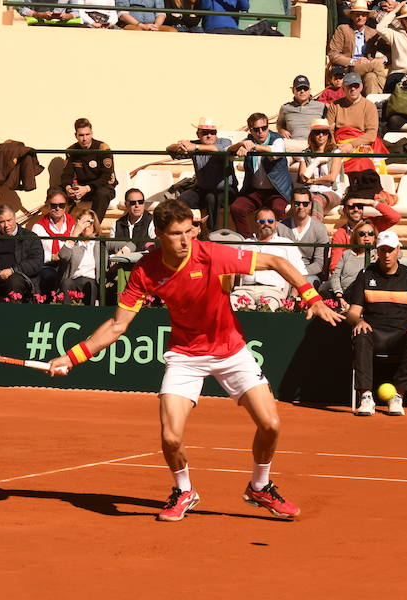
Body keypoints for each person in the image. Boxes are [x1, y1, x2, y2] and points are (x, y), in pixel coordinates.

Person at [47, 198, 344, 521]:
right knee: (171, 436)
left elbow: (275, 261)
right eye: (176, 234)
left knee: (270, 425)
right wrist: (72, 357)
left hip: (231, 350)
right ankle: (184, 490)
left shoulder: (211, 253)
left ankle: (259, 486)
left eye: (190, 230)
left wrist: (311, 297)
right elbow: (117, 325)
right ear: (159, 234)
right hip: (185, 356)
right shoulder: (146, 270)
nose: (186, 239)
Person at [347, 229, 407, 417]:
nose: (387, 254)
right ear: (376, 251)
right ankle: (365, 397)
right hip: (373, 333)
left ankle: (398, 396)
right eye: (382, 250)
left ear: (398, 249)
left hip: (400, 335)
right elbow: (352, 313)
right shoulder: (365, 274)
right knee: (359, 333)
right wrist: (358, 321)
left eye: (390, 250)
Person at [228, 113, 292, 238]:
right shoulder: (248, 141)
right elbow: (228, 150)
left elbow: (276, 152)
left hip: (277, 191)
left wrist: (255, 147)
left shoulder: (277, 139)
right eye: (256, 129)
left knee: (278, 210)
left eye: (264, 128)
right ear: (251, 130)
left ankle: (281, 241)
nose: (261, 132)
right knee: (237, 208)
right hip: (255, 191)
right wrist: (240, 145)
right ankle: (247, 241)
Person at [166, 116, 236, 231]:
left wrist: (194, 147)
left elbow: (219, 149)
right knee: (180, 202)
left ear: (216, 133)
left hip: (226, 190)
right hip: (202, 189)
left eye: (212, 132)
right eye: (205, 133)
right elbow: (169, 149)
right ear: (198, 134)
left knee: (212, 198)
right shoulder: (193, 145)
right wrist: (179, 146)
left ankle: (212, 234)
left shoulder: (225, 142)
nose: (209, 135)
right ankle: (184, 231)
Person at [230, 207, 307, 309]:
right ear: (256, 223)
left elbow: (301, 274)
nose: (266, 224)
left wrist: (292, 297)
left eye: (270, 221)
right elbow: (233, 271)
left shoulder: (286, 244)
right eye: (262, 221)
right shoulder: (245, 244)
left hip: (273, 291)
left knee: (267, 309)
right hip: (244, 289)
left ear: (276, 223)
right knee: (229, 305)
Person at [328, 187, 401, 273]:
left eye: (359, 206)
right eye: (351, 207)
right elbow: (334, 265)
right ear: (344, 210)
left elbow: (395, 217)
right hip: (353, 274)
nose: (356, 209)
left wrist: (370, 202)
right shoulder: (340, 234)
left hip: (377, 271)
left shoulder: (373, 224)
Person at [327, 0, 390, 96]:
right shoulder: (343, 29)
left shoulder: (372, 33)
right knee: (376, 65)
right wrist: (353, 61)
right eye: (357, 15)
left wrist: (383, 58)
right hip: (349, 68)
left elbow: (390, 51)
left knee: (371, 77)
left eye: (363, 15)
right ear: (351, 16)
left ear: (367, 17)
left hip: (368, 67)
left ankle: (374, 105)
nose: (360, 17)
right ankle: (384, 96)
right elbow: (333, 54)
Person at [60, 117, 117, 222]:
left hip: (102, 187)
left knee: (102, 193)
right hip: (82, 190)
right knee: (55, 192)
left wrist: (86, 188)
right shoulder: (72, 150)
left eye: (87, 134)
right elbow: (66, 175)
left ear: (92, 133)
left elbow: (106, 177)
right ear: (76, 135)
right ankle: (59, 230)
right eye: (81, 135)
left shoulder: (102, 148)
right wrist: (69, 189)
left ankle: (93, 229)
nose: (84, 138)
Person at [276, 186, 330, 287]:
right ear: (292, 204)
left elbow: (319, 264)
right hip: (284, 273)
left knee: (307, 284)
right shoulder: (280, 227)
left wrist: (299, 273)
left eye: (305, 204)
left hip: (308, 274)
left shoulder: (319, 228)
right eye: (297, 203)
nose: (301, 207)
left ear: (310, 205)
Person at [32, 188, 75, 299]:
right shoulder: (38, 227)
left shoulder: (74, 226)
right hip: (47, 266)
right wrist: (51, 257)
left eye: (61, 205)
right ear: (47, 205)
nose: (57, 208)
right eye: (53, 205)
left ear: (66, 206)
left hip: (69, 266)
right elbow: (34, 254)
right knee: (49, 276)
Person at [299, 119, 344, 218]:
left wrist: (313, 181)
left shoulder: (335, 152)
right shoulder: (305, 154)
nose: (321, 135)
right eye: (317, 133)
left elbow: (332, 177)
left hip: (332, 192)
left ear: (328, 135)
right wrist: (316, 161)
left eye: (324, 133)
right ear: (312, 135)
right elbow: (303, 178)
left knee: (316, 200)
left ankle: (316, 232)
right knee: (300, 203)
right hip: (311, 191)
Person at [58, 209, 103, 306]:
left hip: (92, 282)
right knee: (66, 283)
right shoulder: (74, 242)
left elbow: (130, 244)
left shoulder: (101, 242)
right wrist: (74, 235)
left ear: (94, 224)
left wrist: (123, 250)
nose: (86, 226)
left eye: (90, 222)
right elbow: (63, 256)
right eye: (83, 222)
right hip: (74, 280)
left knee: (91, 286)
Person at [325, 72, 380, 152]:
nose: (353, 89)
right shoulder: (335, 105)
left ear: (361, 87)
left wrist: (351, 144)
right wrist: (334, 146)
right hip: (338, 144)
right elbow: (329, 130)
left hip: (361, 144)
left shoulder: (370, 106)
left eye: (356, 86)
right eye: (349, 86)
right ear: (343, 88)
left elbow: (371, 134)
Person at [329, 219, 376, 310]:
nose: (366, 236)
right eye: (362, 234)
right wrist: (339, 295)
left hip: (363, 296)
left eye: (370, 233)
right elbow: (335, 275)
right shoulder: (346, 254)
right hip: (343, 295)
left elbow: (398, 253)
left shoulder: (378, 255)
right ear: (356, 237)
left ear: (374, 237)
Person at [276, 75, 327, 152]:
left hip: (312, 145)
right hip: (292, 144)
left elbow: (328, 126)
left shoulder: (321, 106)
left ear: (309, 90)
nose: (302, 91)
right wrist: (281, 130)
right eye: (299, 88)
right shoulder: (285, 108)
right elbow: (279, 124)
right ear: (293, 90)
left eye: (305, 88)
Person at [109, 188, 156, 255]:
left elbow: (155, 247)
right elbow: (112, 249)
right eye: (133, 203)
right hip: (121, 262)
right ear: (126, 204)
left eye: (140, 202)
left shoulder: (152, 222)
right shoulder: (117, 224)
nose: (137, 205)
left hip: (143, 262)